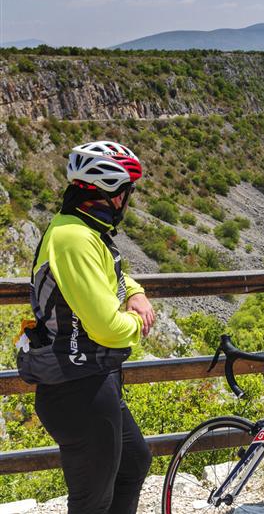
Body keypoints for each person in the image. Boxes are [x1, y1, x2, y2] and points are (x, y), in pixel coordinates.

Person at [16, 141, 155, 514]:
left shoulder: (82, 231)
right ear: (114, 195)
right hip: (76, 388)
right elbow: (107, 327)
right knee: (92, 501)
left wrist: (135, 293)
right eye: (128, 193)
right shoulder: (75, 238)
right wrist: (136, 324)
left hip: (89, 380)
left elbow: (105, 277)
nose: (129, 200)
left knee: (133, 463)